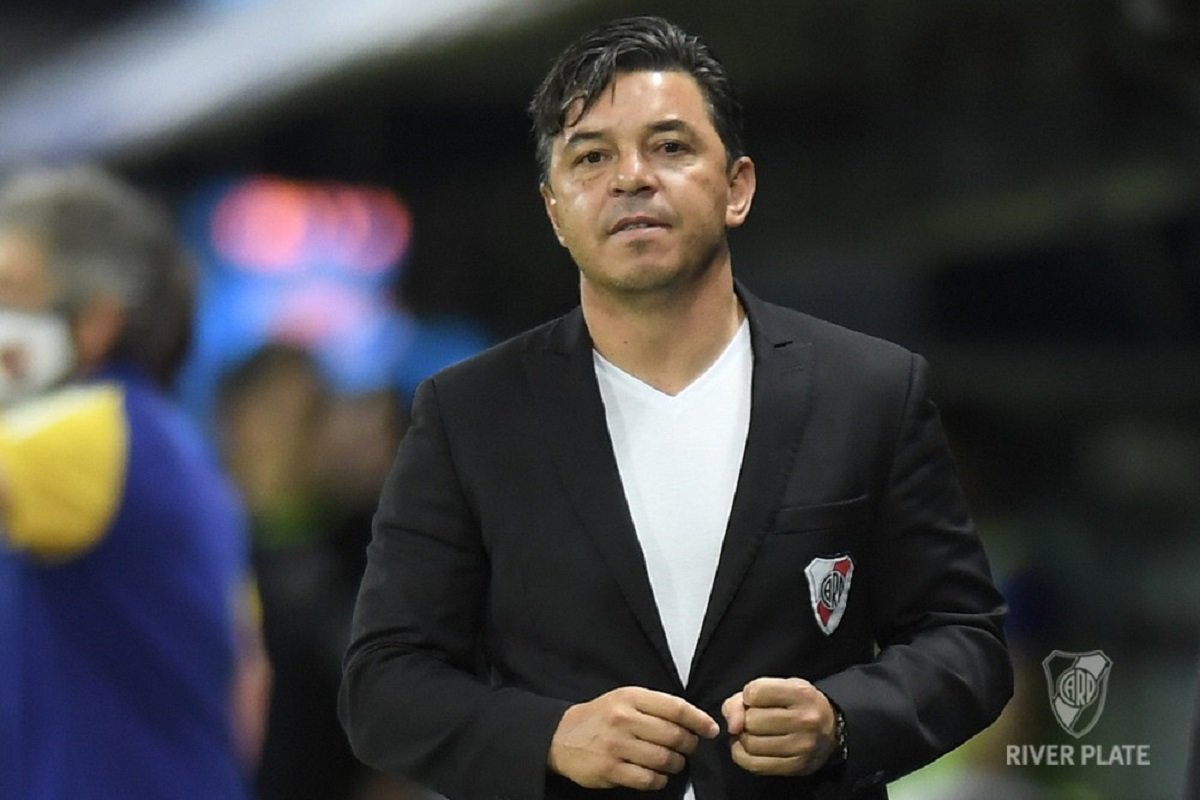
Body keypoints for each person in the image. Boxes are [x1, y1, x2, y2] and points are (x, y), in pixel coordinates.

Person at [340, 16, 1012, 800]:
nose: (631, 177)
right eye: (591, 157)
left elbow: (966, 642)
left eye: (669, 146)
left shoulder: (870, 390)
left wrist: (841, 718)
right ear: (555, 211)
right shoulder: (467, 417)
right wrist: (550, 736)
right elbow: (382, 683)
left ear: (737, 187)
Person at [0, 165, 268, 799]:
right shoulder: (177, 449)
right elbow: (251, 680)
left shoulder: (85, 429)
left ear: (96, 321)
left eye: (9, 291)